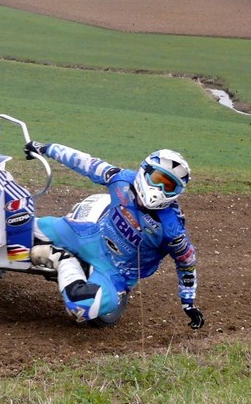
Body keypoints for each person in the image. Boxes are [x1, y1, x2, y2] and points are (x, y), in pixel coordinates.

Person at [24, 141, 204, 329]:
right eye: (158, 179)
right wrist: (46, 148)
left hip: (116, 273)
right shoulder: (122, 179)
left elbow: (187, 262)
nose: (159, 189)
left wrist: (188, 303)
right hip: (91, 238)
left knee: (81, 308)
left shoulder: (172, 230)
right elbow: (86, 163)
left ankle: (62, 259)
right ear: (145, 171)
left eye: (169, 186)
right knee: (24, 226)